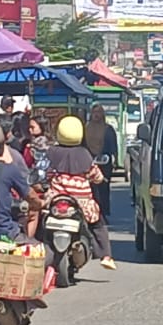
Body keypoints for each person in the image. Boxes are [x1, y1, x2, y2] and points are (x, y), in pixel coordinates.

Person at [47, 115, 112, 265]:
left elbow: (47, 173)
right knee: (98, 224)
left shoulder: (52, 152)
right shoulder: (84, 154)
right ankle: (105, 256)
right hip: (81, 202)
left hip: (55, 198)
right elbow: (95, 175)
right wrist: (100, 178)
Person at [83, 104, 118, 233]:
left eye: (99, 112)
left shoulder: (108, 129)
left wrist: (114, 160)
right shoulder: (86, 128)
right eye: (94, 112)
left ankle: (102, 214)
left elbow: (113, 147)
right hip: (88, 162)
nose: (96, 115)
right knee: (90, 190)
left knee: (103, 189)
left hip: (104, 163)